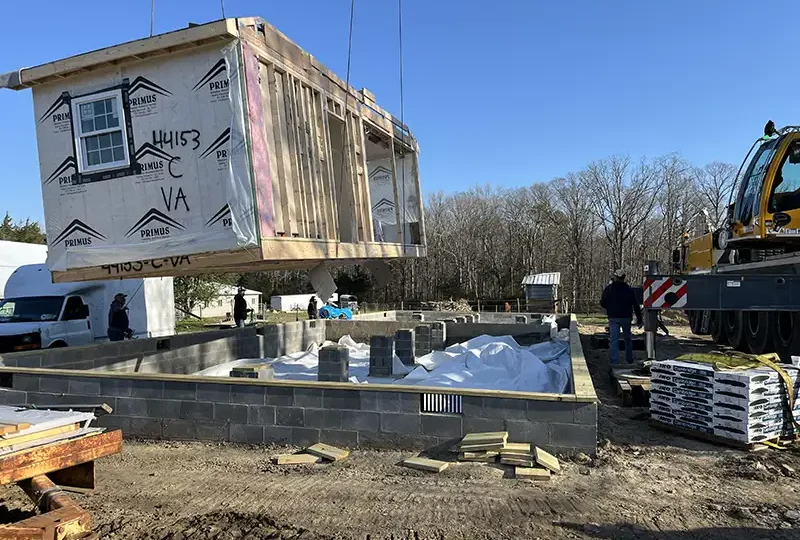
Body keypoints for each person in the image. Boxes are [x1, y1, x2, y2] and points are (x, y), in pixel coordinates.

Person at [600, 270, 642, 365]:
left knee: (614, 339)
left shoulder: (609, 289)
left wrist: (610, 308)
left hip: (613, 317)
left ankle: (614, 362)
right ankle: (629, 359)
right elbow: (635, 305)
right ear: (623, 278)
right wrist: (639, 319)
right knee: (627, 339)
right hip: (626, 317)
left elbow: (602, 302)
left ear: (615, 277)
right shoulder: (629, 290)